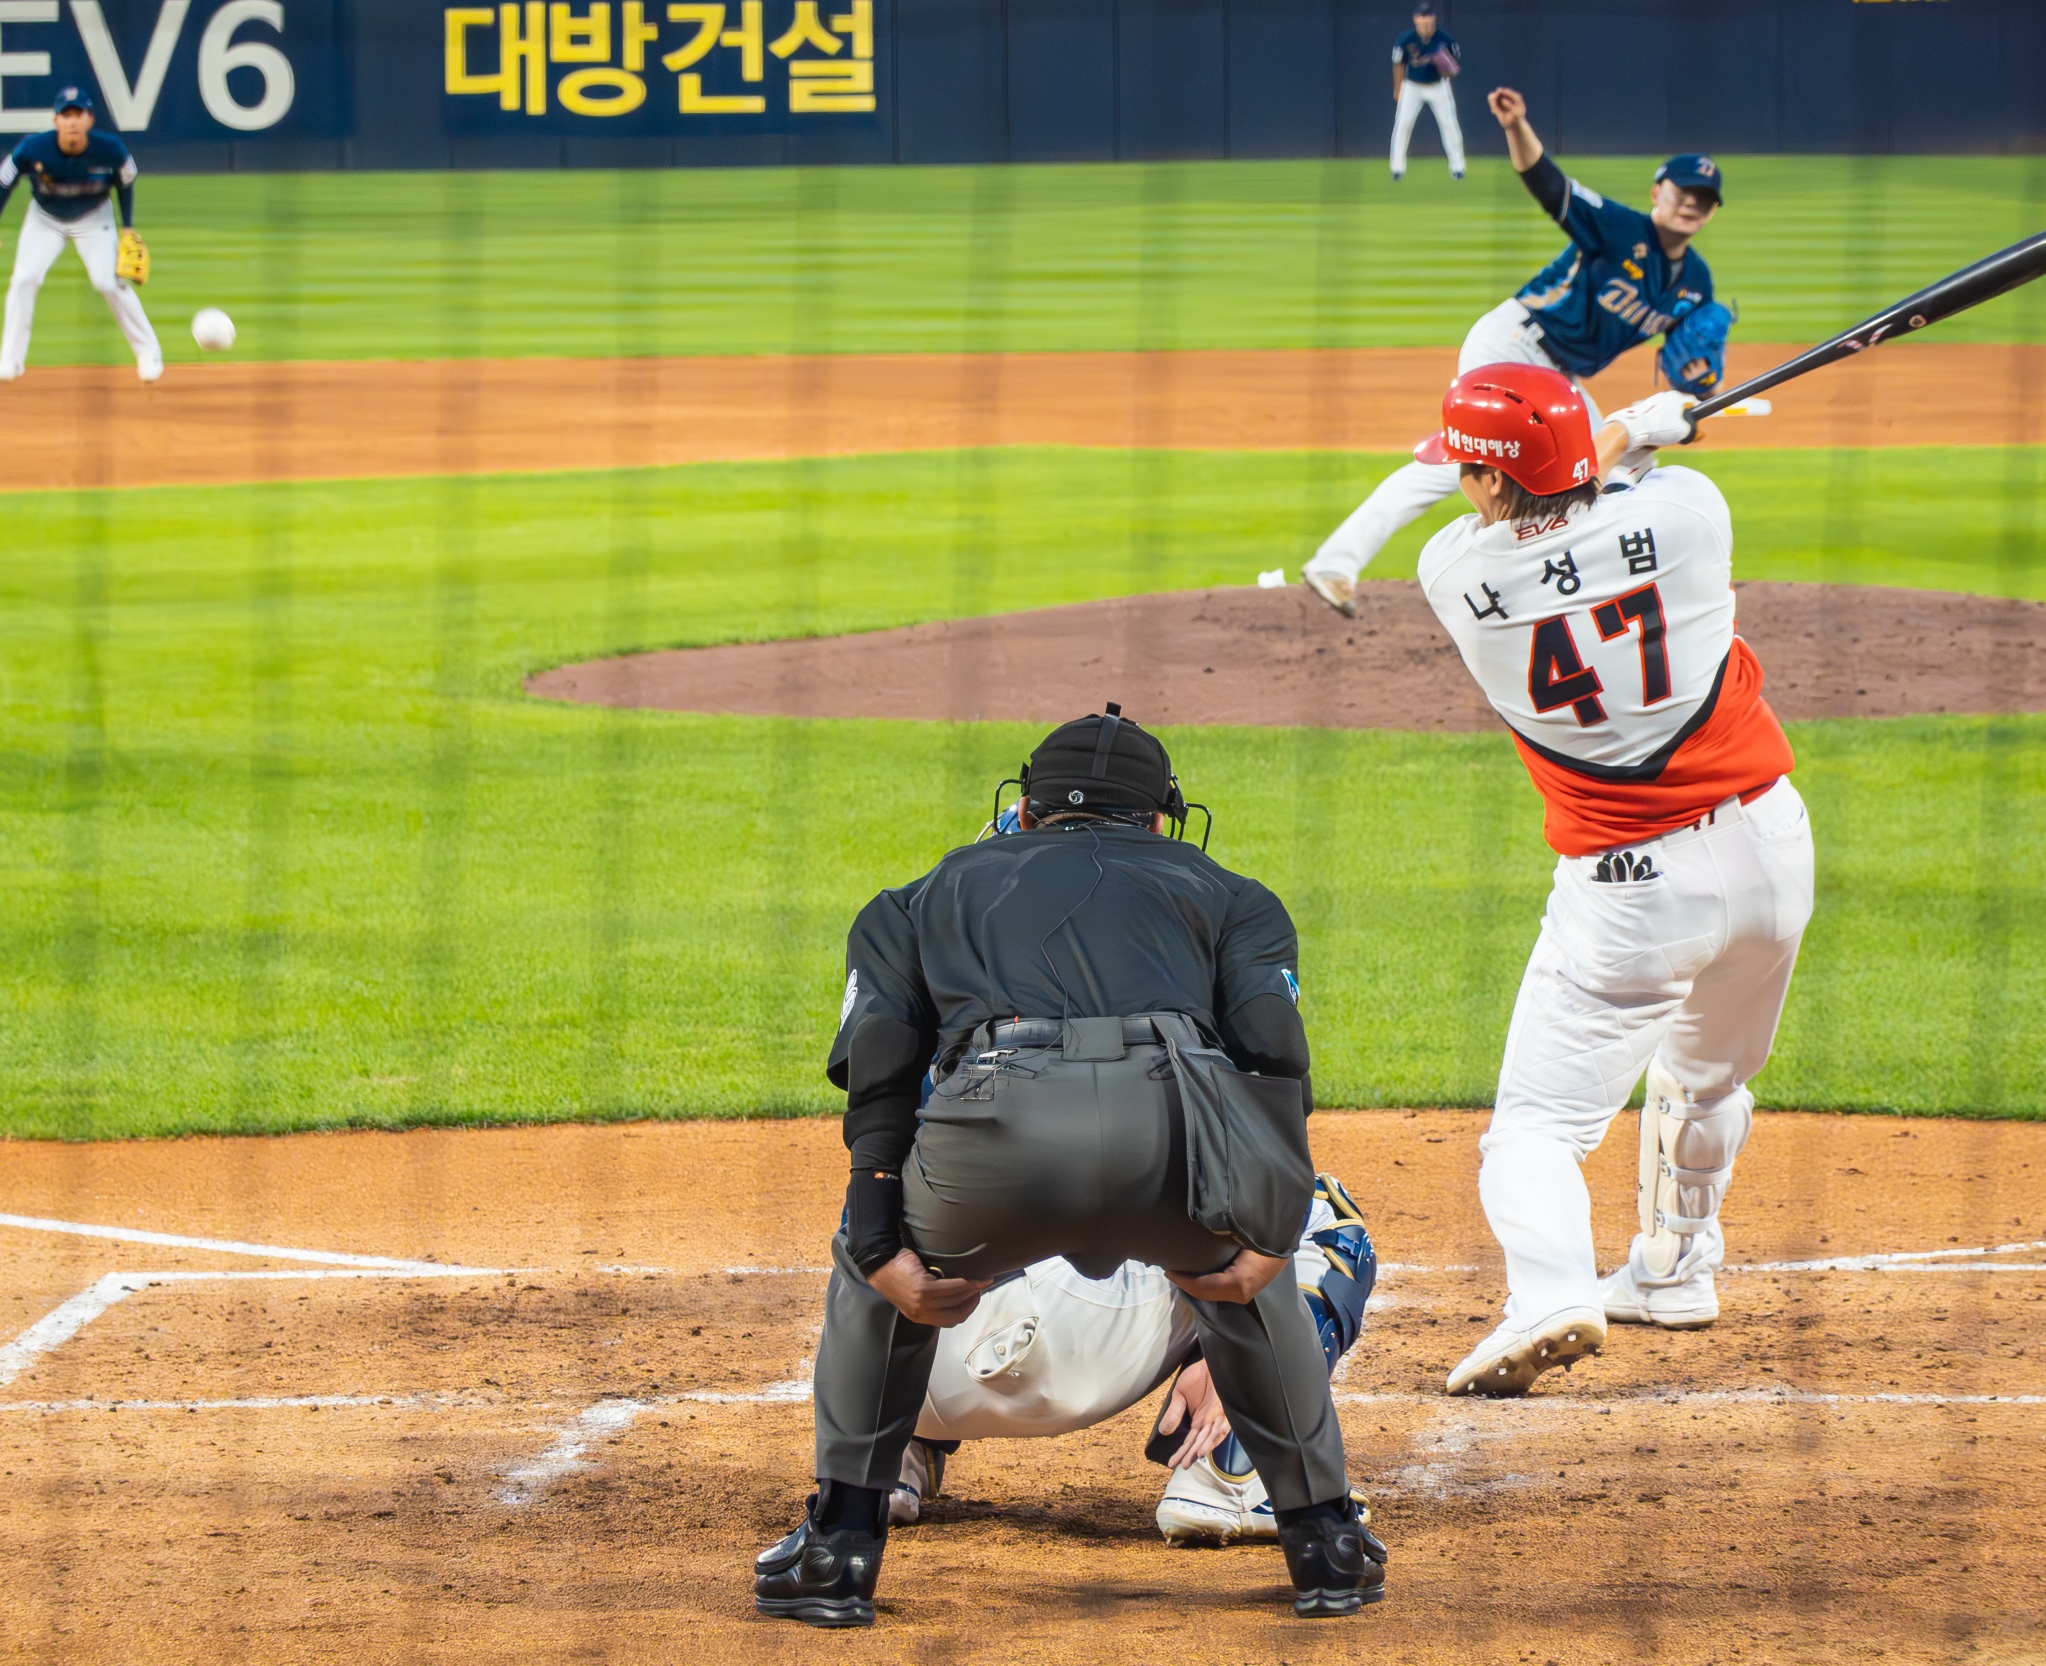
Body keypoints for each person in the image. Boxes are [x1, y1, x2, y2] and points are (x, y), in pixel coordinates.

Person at [755, 708, 1385, 1626]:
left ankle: (840, 1549)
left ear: (1023, 811)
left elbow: (880, 1080)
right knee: (1254, 1260)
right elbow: (1273, 1063)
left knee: (872, 1259)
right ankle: (1324, 1543)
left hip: (991, 1141)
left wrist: (879, 1243)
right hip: (1167, 1132)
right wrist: (1268, 1231)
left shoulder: (919, 897)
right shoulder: (1233, 895)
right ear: (1161, 820)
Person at [1402, 365, 1814, 1395]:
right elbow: (1613, 487)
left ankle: (1549, 1293)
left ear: (1488, 483)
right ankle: (1675, 1268)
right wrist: (1644, 429)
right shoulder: (1691, 514)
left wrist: (1629, 428)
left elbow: (1558, 510)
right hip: (1771, 851)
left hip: (1630, 892)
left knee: (1537, 1127)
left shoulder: (1451, 574)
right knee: (1708, 1077)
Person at [1304, 85, 1732, 618]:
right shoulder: (1620, 228)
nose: (1692, 203)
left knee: (1619, 462)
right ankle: (1337, 562)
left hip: (1559, 376)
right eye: (1683, 191)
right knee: (1476, 460)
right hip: (1513, 343)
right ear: (1657, 191)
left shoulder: (1697, 281)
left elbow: (1689, 365)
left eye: (1704, 199)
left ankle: (1597, 585)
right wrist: (1515, 126)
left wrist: (1703, 386)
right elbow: (1550, 185)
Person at [893, 1171, 1377, 1547]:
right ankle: (1230, 1469)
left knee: (901, 1201)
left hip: (901, 1363)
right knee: (1307, 1205)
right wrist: (1237, 1353)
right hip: (1050, 1346)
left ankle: (886, 1460)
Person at [0, 86, 162, 385]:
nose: (72, 122)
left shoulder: (111, 149)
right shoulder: (33, 148)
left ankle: (149, 353)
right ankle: (9, 360)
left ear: (90, 120)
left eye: (78, 114)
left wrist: (127, 227)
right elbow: (5, 180)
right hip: (45, 219)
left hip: (94, 217)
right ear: (56, 121)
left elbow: (126, 182)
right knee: (24, 279)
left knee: (107, 282)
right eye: (66, 115)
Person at [1389, 3, 1465, 182]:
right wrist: (1398, 89)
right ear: (1416, 19)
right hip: (1412, 86)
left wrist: (1444, 66)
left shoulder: (1446, 40)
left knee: (1449, 125)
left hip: (1438, 85)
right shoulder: (1405, 39)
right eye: (1421, 19)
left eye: (1427, 19)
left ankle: (1458, 167)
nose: (1424, 23)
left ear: (1433, 19)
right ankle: (1397, 168)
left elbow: (1453, 70)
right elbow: (1398, 64)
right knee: (1403, 124)